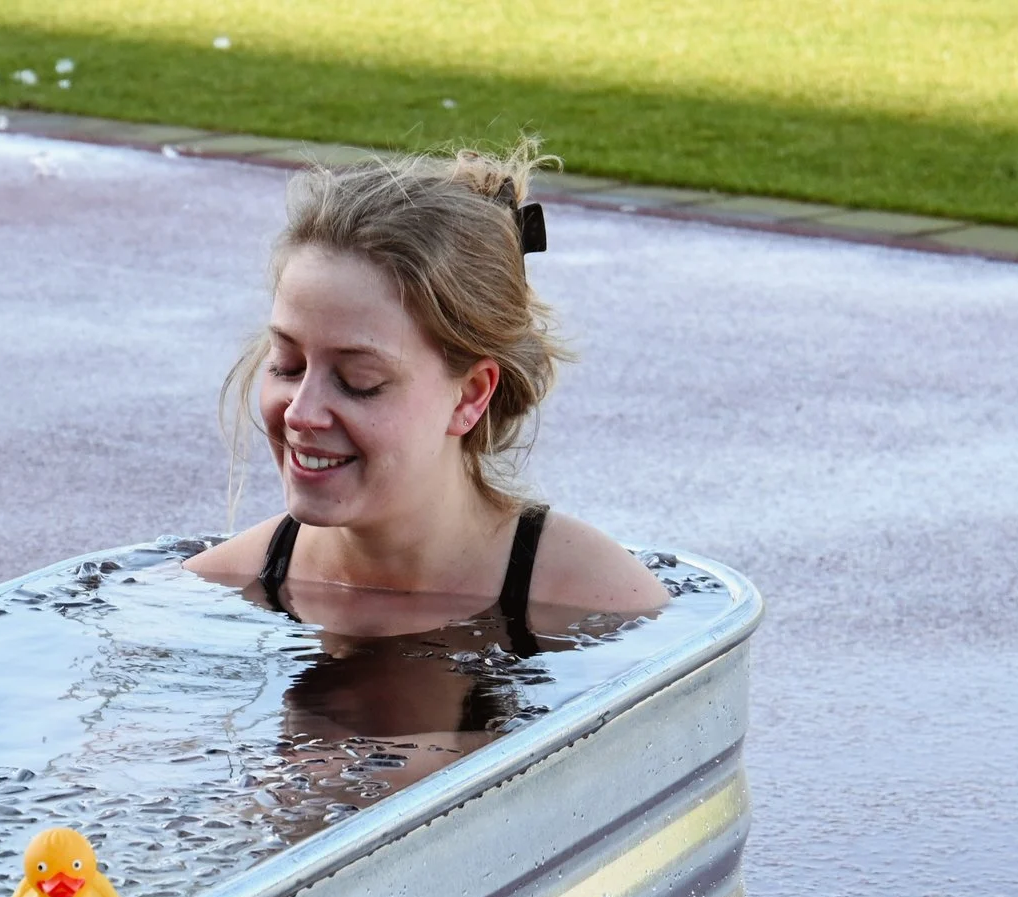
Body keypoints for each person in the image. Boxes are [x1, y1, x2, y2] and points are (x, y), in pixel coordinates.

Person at [188, 145, 666, 766]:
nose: (302, 412)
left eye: (359, 380)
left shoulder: (603, 603)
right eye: (287, 364)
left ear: (470, 396)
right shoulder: (221, 587)